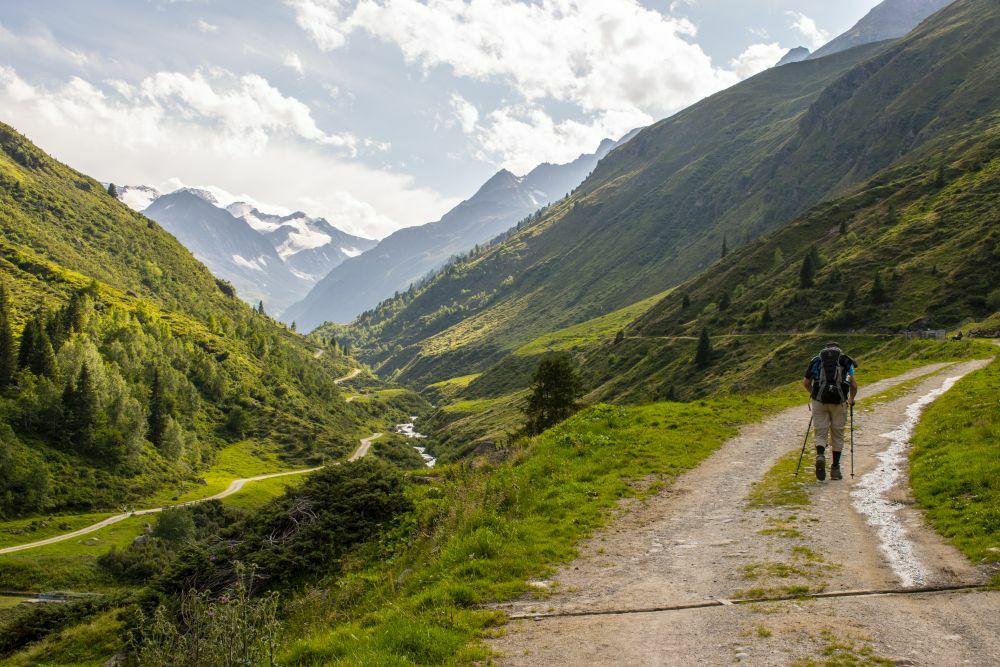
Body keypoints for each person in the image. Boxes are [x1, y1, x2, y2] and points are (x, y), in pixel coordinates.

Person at [802, 341, 858, 480]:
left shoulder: (816, 360)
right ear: (839, 349)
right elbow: (854, 385)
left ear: (825, 349)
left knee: (820, 431)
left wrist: (814, 394)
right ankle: (835, 468)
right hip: (839, 402)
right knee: (837, 434)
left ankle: (820, 454)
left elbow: (806, 383)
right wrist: (851, 399)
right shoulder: (845, 360)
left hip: (819, 401)